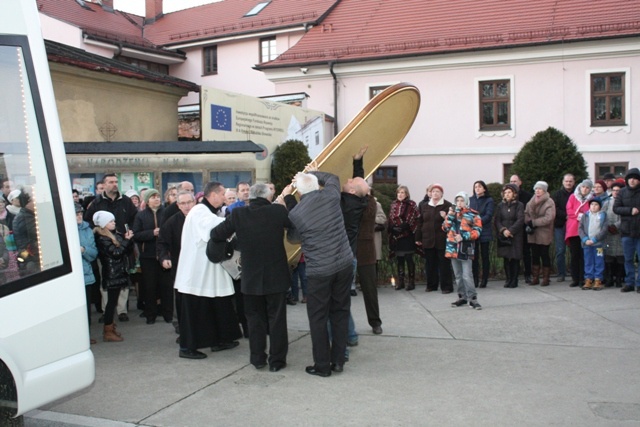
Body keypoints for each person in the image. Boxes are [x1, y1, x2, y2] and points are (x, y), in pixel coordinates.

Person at [211, 183, 293, 372]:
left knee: (254, 320)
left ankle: (257, 359)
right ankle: (277, 361)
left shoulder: (239, 215)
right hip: (276, 275)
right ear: (268, 196)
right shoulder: (277, 212)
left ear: (251, 197)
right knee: (277, 319)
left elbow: (216, 234)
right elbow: (296, 226)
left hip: (250, 276)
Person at [282, 166, 353, 377]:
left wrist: (287, 198)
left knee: (318, 318)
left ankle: (322, 365)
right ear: (317, 185)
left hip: (319, 271)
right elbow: (334, 177)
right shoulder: (331, 196)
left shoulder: (297, 213)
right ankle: (338, 360)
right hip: (344, 263)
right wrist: (315, 171)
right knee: (340, 312)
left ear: (300, 193)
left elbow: (293, 239)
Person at [173, 181, 241, 360]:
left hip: (209, 269)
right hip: (197, 271)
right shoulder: (199, 212)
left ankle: (220, 340)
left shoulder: (208, 211)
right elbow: (215, 229)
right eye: (222, 194)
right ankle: (187, 347)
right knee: (196, 309)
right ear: (213, 195)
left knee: (218, 304)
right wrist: (239, 219)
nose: (225, 198)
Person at [85, 173, 138, 321]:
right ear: (104, 184)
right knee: (106, 278)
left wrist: (130, 232)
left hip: (124, 243)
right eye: (111, 182)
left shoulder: (126, 201)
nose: (114, 184)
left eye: (116, 181)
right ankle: (106, 310)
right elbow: (89, 221)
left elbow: (135, 218)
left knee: (123, 276)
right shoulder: (97, 202)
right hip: (105, 245)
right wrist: (100, 234)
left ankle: (122, 310)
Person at [157, 190, 196, 340]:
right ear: (178, 205)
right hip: (180, 267)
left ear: (195, 202)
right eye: (183, 203)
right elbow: (162, 243)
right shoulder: (172, 222)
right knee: (181, 301)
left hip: (199, 267)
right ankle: (183, 329)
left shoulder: (202, 219)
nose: (187, 206)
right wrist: (164, 257)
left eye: (189, 202)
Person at [93, 210, 134, 342]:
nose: (114, 223)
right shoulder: (102, 238)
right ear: (104, 224)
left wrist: (127, 239)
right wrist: (126, 241)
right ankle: (108, 329)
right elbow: (116, 253)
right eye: (111, 221)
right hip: (112, 273)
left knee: (113, 301)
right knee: (111, 302)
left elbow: (126, 249)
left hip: (117, 272)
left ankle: (110, 327)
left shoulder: (113, 235)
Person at [133, 189, 172, 324]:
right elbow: (136, 234)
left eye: (158, 196)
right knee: (149, 286)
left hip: (165, 255)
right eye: (153, 197)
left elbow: (171, 230)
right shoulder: (141, 215)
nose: (156, 199)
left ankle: (168, 314)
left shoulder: (166, 213)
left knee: (166, 286)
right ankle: (151, 314)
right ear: (147, 200)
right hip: (148, 256)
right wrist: (152, 233)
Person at [444, 191, 483, 309]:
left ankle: (473, 298)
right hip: (452, 248)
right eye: (457, 200)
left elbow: (477, 231)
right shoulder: (452, 213)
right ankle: (462, 297)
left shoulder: (473, 214)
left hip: (466, 248)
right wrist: (450, 215)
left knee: (467, 275)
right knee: (458, 275)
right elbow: (445, 227)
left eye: (462, 200)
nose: (459, 203)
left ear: (466, 201)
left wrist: (464, 236)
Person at [415, 183, 453, 293]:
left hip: (442, 239)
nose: (435, 193)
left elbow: (452, 222)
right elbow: (420, 222)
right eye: (433, 191)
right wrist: (418, 237)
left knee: (444, 264)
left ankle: (446, 287)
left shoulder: (447, 205)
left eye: (437, 191)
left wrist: (445, 217)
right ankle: (431, 285)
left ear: (442, 193)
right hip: (428, 238)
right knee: (430, 264)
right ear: (430, 194)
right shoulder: (425, 205)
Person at [613, 168, 640, 293]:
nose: (632, 180)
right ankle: (629, 283)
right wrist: (630, 210)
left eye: (635, 178)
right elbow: (616, 208)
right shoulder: (622, 192)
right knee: (628, 259)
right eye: (630, 178)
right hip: (626, 231)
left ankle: (639, 284)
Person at [387, 186, 419, 290]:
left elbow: (412, 219)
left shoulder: (411, 204)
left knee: (409, 258)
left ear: (406, 194)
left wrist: (401, 227)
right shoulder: (393, 204)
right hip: (396, 236)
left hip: (407, 235)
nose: (400, 194)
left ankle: (411, 282)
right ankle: (401, 282)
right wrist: (393, 228)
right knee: (399, 259)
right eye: (399, 192)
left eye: (403, 193)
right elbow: (390, 218)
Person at [524, 181, 556, 286]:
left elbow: (549, 218)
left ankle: (546, 278)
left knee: (544, 254)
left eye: (540, 189)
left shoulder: (549, 202)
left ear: (544, 190)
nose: (537, 191)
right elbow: (526, 213)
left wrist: (534, 222)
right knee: (535, 255)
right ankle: (535, 277)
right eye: (536, 189)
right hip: (533, 232)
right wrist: (528, 221)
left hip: (544, 232)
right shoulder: (531, 200)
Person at [494, 183, 524, 288]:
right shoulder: (500, 206)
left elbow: (520, 220)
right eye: (505, 192)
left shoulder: (519, 205)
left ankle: (514, 280)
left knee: (515, 258)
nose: (507, 194)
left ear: (514, 194)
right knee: (506, 258)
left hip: (515, 235)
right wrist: (503, 230)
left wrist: (511, 231)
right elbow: (497, 220)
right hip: (504, 235)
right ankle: (508, 279)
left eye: (509, 192)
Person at [76, 203, 98, 344]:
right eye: (76, 214)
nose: (79, 216)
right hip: (71, 276)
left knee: (86, 308)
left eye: (80, 213)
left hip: (86, 273)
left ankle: (86, 335)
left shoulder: (87, 229)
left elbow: (93, 252)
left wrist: (83, 250)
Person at [565, 179, 593, 287]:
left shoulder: (592, 199)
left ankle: (583, 278)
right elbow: (569, 210)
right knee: (574, 255)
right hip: (573, 229)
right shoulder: (573, 197)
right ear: (580, 187)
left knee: (584, 255)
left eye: (587, 187)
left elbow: (591, 211)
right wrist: (579, 216)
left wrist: (583, 216)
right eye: (583, 187)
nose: (584, 189)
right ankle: (575, 278)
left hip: (585, 231)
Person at [469, 180, 494, 288]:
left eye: (479, 187)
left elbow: (488, 215)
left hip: (484, 231)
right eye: (475, 187)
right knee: (474, 257)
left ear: (484, 189)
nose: (477, 188)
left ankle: (484, 279)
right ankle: (475, 279)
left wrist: (477, 222)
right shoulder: (471, 200)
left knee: (485, 256)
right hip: (473, 231)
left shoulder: (489, 200)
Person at [579, 197, 607, 290]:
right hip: (587, 244)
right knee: (588, 261)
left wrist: (595, 239)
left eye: (596, 205)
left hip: (598, 244)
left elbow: (604, 229)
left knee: (599, 261)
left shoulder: (603, 215)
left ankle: (598, 279)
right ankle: (588, 279)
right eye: (592, 205)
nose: (593, 207)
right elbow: (580, 228)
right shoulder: (585, 215)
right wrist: (585, 239)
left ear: (599, 206)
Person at [552, 173, 575, 282]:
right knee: (560, 250)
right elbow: (554, 208)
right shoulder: (557, 194)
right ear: (563, 182)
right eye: (566, 181)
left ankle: (575, 272)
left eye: (570, 181)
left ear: (574, 182)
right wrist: (566, 215)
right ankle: (561, 273)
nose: (568, 183)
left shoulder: (577, 194)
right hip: (560, 225)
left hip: (574, 226)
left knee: (574, 250)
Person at [510, 175, 533, 283]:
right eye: (511, 181)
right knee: (513, 252)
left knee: (526, 252)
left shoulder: (527, 196)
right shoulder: (508, 196)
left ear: (520, 182)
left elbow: (530, 212)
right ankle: (513, 275)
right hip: (511, 228)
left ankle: (528, 274)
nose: (513, 183)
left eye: (515, 181)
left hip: (523, 227)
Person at [603, 181, 625, 288]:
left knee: (620, 257)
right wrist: (608, 226)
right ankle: (609, 278)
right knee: (609, 257)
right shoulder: (607, 202)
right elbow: (602, 215)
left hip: (620, 233)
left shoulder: (625, 202)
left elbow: (625, 217)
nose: (616, 192)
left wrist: (616, 226)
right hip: (608, 234)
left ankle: (619, 279)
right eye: (614, 190)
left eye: (618, 190)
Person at [13, 190, 39, 276]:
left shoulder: (28, 215)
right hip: (29, 258)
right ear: (27, 203)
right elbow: (37, 234)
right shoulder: (24, 217)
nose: (36, 202)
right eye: (33, 200)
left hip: (32, 256)